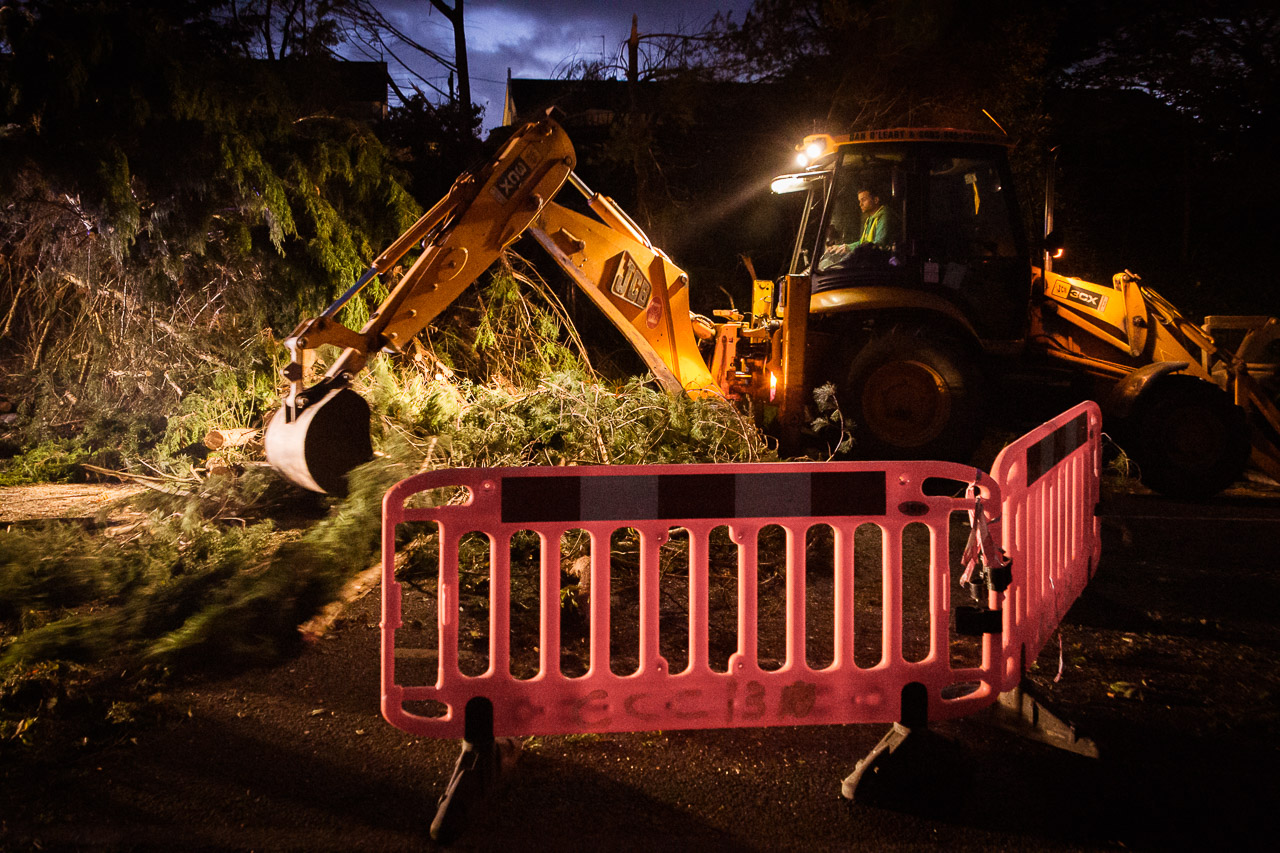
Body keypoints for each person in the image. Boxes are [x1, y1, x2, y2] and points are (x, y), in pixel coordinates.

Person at [818, 187, 897, 270]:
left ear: (876, 200)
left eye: (863, 200)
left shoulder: (884, 216)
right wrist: (842, 247)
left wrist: (850, 250)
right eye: (859, 201)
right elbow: (862, 242)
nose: (860, 204)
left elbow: (878, 245)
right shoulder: (870, 219)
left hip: (876, 267)